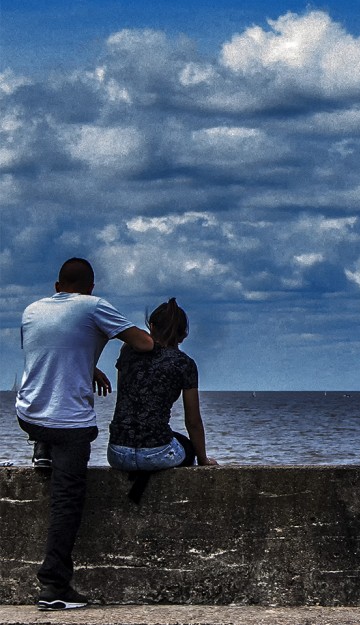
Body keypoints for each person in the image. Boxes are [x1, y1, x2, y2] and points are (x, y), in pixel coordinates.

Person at [16, 258, 153, 611]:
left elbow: (48, 350)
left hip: (28, 415)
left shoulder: (32, 310)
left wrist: (88, 365)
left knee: (52, 426)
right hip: (69, 426)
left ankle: (42, 448)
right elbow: (144, 344)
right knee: (67, 502)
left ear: (57, 286)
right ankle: (54, 587)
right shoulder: (94, 306)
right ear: (91, 288)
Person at [108, 298, 217, 474]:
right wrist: (202, 458)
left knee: (169, 439)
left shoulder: (127, 350)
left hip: (117, 452)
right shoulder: (184, 364)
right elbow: (193, 421)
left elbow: (123, 394)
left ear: (151, 326)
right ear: (184, 335)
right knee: (188, 448)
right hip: (155, 454)